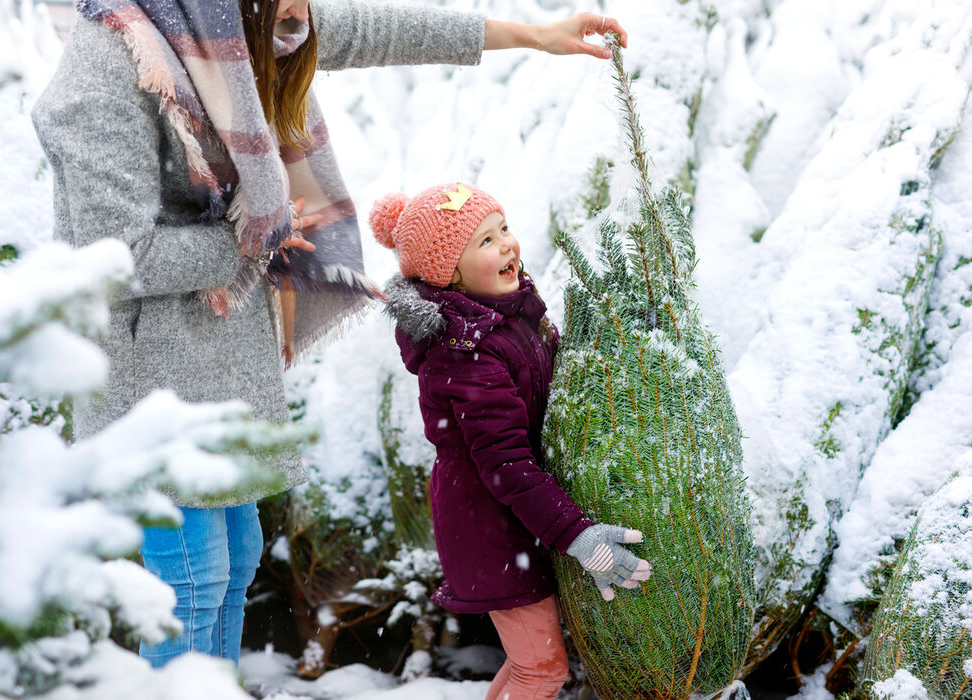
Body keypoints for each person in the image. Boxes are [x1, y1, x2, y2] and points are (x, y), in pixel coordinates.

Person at [32, 0, 629, 669]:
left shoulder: (244, 25)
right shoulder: (113, 59)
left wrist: (535, 35)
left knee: (234, 563)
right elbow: (110, 255)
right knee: (193, 578)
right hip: (151, 370)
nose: (302, 10)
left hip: (223, 349)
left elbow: (371, 30)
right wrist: (256, 239)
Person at [375, 183, 653, 700]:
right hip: (491, 528)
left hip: (519, 520)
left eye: (503, 228)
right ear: (449, 275)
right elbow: (505, 461)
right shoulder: (464, 352)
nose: (507, 244)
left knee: (534, 665)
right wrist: (577, 536)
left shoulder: (509, 314)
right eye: (485, 240)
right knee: (541, 670)